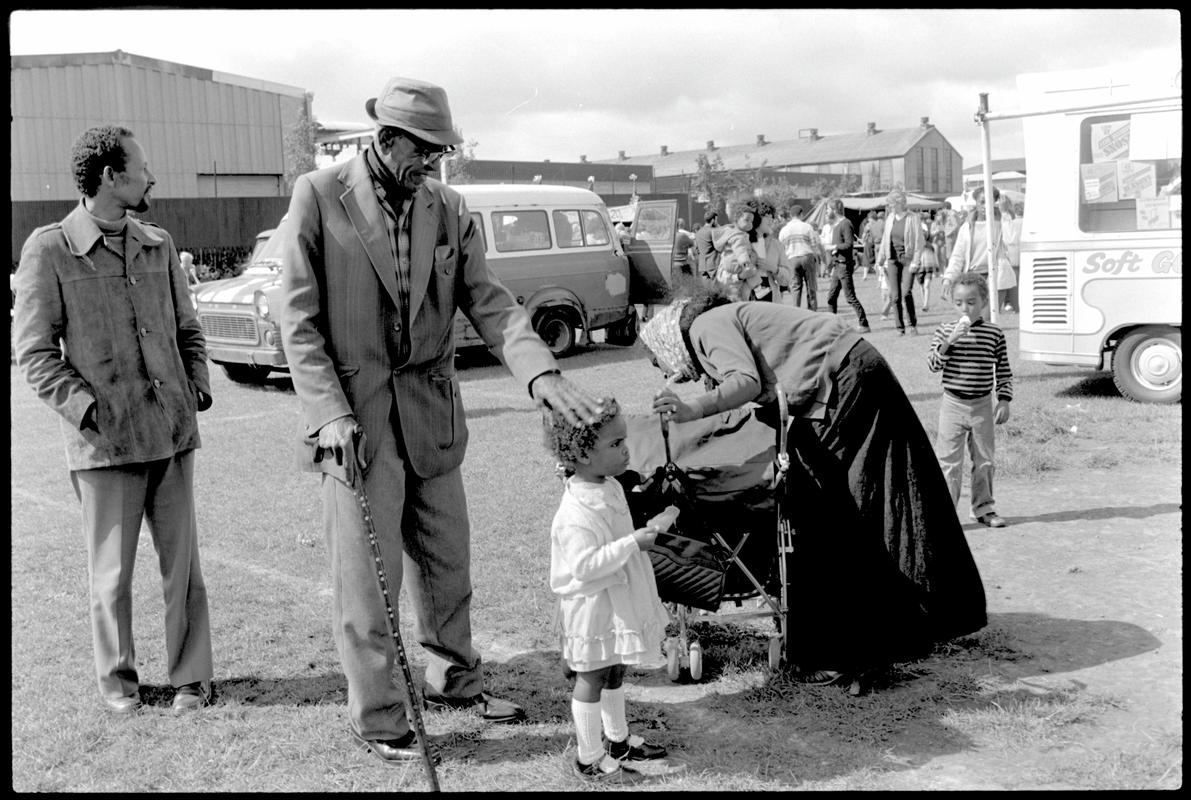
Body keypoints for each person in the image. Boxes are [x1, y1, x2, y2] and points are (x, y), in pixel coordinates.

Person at [277, 76, 607, 765]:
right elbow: (297, 320)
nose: (432, 165)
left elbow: (488, 300)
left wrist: (539, 372)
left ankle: (454, 679)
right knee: (368, 583)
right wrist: (329, 415)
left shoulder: (448, 206)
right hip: (356, 426)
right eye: (422, 151)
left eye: (440, 153)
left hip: (432, 417)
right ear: (385, 138)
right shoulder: (317, 194)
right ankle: (377, 717)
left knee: (446, 565)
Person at [639, 285, 987, 682]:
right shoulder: (725, 318)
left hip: (846, 377)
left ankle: (852, 646)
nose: (668, 373)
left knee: (832, 509)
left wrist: (692, 410)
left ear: (668, 340)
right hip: (855, 367)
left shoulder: (706, 326)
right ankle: (911, 620)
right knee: (875, 495)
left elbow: (746, 382)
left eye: (658, 362)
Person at [13, 125, 215, 715]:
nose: (151, 177)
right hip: (104, 446)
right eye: (142, 167)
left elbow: (188, 330)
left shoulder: (157, 242)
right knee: (111, 578)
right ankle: (120, 686)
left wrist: (195, 385)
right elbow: (34, 353)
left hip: (172, 437)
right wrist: (89, 411)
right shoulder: (48, 249)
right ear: (111, 176)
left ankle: (191, 678)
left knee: (184, 571)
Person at [543, 398, 672, 784]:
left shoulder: (610, 485)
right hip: (593, 604)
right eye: (615, 444)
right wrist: (634, 542)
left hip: (615, 597)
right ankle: (589, 756)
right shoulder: (575, 513)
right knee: (592, 676)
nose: (626, 450)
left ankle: (617, 741)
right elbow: (585, 567)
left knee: (615, 668)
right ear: (583, 454)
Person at [927, 272, 1013, 528]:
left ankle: (983, 508)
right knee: (948, 463)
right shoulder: (944, 331)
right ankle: (945, 513)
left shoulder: (994, 333)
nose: (965, 308)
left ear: (984, 301)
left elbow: (1004, 370)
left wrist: (1004, 400)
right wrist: (949, 342)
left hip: (981, 406)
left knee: (984, 460)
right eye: (959, 303)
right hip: (952, 405)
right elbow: (932, 364)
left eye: (971, 302)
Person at [940, 186, 1013, 306]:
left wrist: (1005, 213)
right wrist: (948, 278)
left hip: (996, 276)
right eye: (982, 202)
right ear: (976, 203)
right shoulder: (966, 227)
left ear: (995, 202)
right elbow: (957, 256)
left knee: (988, 319)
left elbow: (1011, 240)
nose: (985, 206)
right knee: (972, 319)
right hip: (972, 277)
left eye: (990, 202)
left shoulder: (1001, 223)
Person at [877, 190, 923, 335]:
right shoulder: (890, 218)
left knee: (906, 293)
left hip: (908, 260)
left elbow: (919, 241)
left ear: (899, 203)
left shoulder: (913, 218)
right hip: (892, 259)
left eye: (891, 203)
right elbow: (885, 239)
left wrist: (916, 261)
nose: (889, 206)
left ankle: (912, 325)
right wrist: (880, 260)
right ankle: (900, 328)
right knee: (895, 295)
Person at [822, 198, 870, 332]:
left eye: (828, 209)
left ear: (834, 210)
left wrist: (834, 246)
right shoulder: (836, 225)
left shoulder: (846, 224)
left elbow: (849, 244)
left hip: (844, 266)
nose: (826, 212)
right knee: (831, 297)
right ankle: (832, 325)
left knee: (850, 298)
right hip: (838, 265)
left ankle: (864, 324)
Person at [712, 204, 761, 301]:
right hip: (736, 266)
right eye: (746, 220)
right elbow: (741, 251)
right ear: (737, 220)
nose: (750, 224)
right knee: (750, 274)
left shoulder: (736, 234)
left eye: (751, 221)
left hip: (734, 268)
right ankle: (759, 289)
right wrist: (746, 264)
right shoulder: (738, 236)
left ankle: (758, 289)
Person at [777, 204, 820, 310]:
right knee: (811, 286)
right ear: (801, 214)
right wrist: (817, 260)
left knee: (795, 287)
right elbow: (814, 246)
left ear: (791, 215)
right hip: (806, 256)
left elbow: (781, 248)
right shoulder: (807, 227)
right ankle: (812, 311)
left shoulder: (784, 230)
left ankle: (797, 311)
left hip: (791, 259)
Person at [999, 197, 1023, 312]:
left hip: (1011, 254)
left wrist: (1004, 211)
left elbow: (1008, 236)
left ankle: (1010, 303)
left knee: (1010, 282)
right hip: (1019, 254)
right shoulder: (1023, 222)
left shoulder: (1010, 222)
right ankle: (1014, 303)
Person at [915, 214, 939, 311]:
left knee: (927, 285)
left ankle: (926, 304)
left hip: (928, 268)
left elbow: (935, 257)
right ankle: (924, 301)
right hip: (919, 268)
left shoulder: (930, 247)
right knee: (922, 286)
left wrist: (936, 268)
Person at [694, 208, 721, 281]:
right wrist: (718, 226)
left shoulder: (698, 232)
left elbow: (697, 249)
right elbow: (720, 247)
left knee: (706, 290)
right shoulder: (714, 231)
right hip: (713, 265)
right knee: (716, 290)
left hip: (702, 266)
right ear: (713, 220)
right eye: (716, 220)